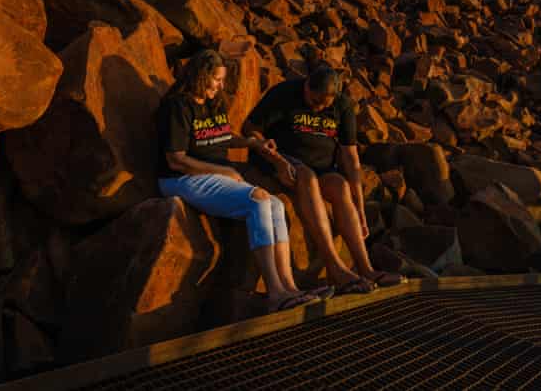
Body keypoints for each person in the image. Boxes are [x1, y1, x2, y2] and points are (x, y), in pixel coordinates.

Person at [157, 50, 328, 312]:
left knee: (276, 205)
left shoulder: (212, 103)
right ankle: (274, 292)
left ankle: (290, 288)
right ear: (201, 76)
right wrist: (220, 171)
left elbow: (222, 137)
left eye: (222, 80)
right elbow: (175, 160)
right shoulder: (178, 106)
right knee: (258, 202)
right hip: (180, 179)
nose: (220, 85)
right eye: (216, 79)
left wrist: (253, 143)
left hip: (213, 173)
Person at [243, 65, 406, 294]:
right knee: (306, 177)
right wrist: (276, 160)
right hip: (282, 160)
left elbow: (350, 158)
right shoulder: (284, 94)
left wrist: (360, 210)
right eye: (314, 100)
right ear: (306, 85)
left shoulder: (343, 105)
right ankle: (335, 267)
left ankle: (365, 268)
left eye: (324, 105)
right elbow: (250, 129)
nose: (318, 107)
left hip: (322, 167)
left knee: (340, 186)